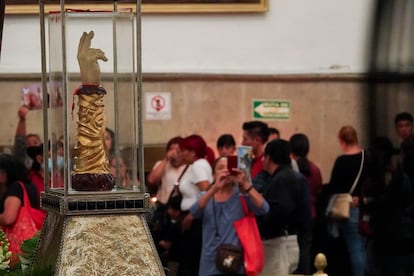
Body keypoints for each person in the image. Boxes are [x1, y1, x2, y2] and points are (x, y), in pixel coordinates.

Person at [188, 156, 269, 276]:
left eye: (229, 168)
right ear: (213, 175)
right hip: (209, 264)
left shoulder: (242, 195)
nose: (225, 171)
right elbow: (194, 212)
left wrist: (245, 184)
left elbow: (264, 208)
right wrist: (214, 188)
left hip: (235, 262)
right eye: (220, 168)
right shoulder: (205, 196)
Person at [257, 139, 311, 275]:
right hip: (294, 240)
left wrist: (261, 228)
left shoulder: (281, 179)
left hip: (279, 243)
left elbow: (279, 212)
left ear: (268, 157)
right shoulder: (295, 177)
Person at [326, 125, 367, 276]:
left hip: (346, 207)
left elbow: (333, 186)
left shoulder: (342, 161)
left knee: (354, 248)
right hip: (363, 206)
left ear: (342, 140)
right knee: (362, 247)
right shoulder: (365, 157)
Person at [178, 134, 213, 276]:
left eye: (183, 150)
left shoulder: (198, 165)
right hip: (193, 217)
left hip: (195, 219)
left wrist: (192, 214)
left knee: (190, 261)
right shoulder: (196, 165)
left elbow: (205, 190)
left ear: (192, 151)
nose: (181, 154)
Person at [0, 154, 44, 266]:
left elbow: (8, 218)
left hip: (17, 246)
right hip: (31, 244)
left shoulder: (15, 187)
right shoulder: (29, 185)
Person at [289, 133, 323, 274]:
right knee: (306, 251)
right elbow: (318, 189)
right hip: (311, 214)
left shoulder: (290, 169)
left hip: (294, 215)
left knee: (293, 252)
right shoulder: (314, 169)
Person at [14, 105, 42, 170]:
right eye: (28, 144)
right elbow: (20, 141)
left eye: (35, 143)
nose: (32, 145)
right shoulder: (24, 161)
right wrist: (22, 120)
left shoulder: (46, 162)